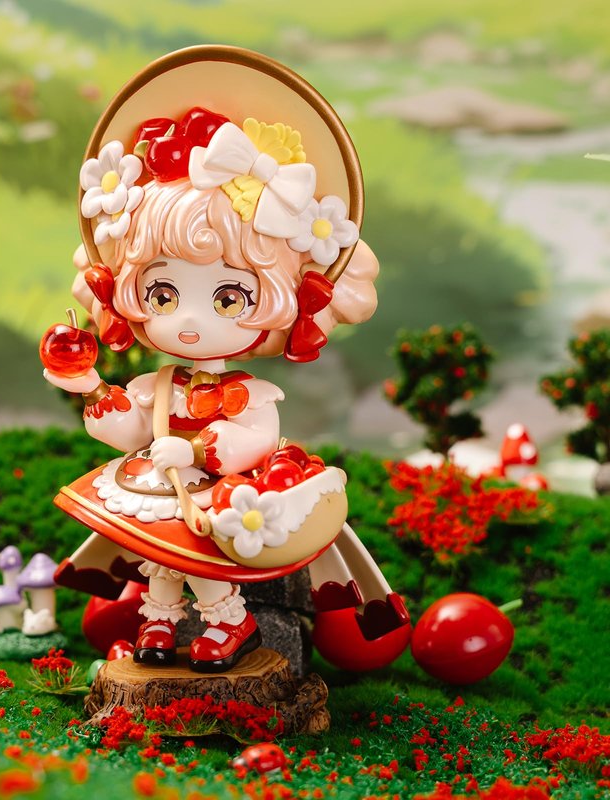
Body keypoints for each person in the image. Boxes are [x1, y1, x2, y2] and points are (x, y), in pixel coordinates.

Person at [45, 48, 409, 673]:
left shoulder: (251, 396)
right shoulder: (160, 383)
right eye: (163, 294)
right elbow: (128, 429)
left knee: (198, 556)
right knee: (160, 558)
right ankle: (160, 621)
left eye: (227, 298)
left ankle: (229, 621)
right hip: (163, 491)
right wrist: (92, 389)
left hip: (226, 496)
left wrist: (195, 449)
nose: (187, 321)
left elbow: (254, 439)